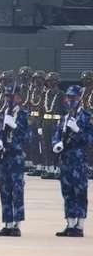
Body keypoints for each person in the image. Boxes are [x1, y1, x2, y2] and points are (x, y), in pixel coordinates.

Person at [52, 85, 92, 237]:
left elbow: (90, 139)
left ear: (79, 98)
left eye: (73, 98)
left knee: (80, 192)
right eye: (68, 97)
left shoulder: (87, 117)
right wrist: (56, 144)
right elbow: (56, 135)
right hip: (66, 160)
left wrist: (78, 130)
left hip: (79, 161)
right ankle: (70, 223)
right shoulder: (65, 117)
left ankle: (79, 226)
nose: (70, 100)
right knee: (67, 193)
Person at [0, 85, 29, 237]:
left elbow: (28, 137)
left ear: (18, 98)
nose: (8, 99)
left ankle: (16, 224)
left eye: (11, 96)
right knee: (4, 189)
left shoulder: (23, 114)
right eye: (6, 96)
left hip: (16, 156)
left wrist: (15, 126)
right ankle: (7, 223)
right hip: (3, 156)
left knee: (17, 190)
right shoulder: (2, 113)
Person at [41, 72, 65, 180]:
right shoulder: (44, 94)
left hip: (57, 123)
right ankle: (49, 169)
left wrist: (63, 125)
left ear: (57, 82)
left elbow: (65, 110)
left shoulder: (61, 94)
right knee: (46, 146)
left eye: (53, 81)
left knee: (57, 147)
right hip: (46, 123)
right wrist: (40, 126)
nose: (50, 83)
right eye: (49, 81)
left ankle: (58, 169)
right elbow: (41, 111)